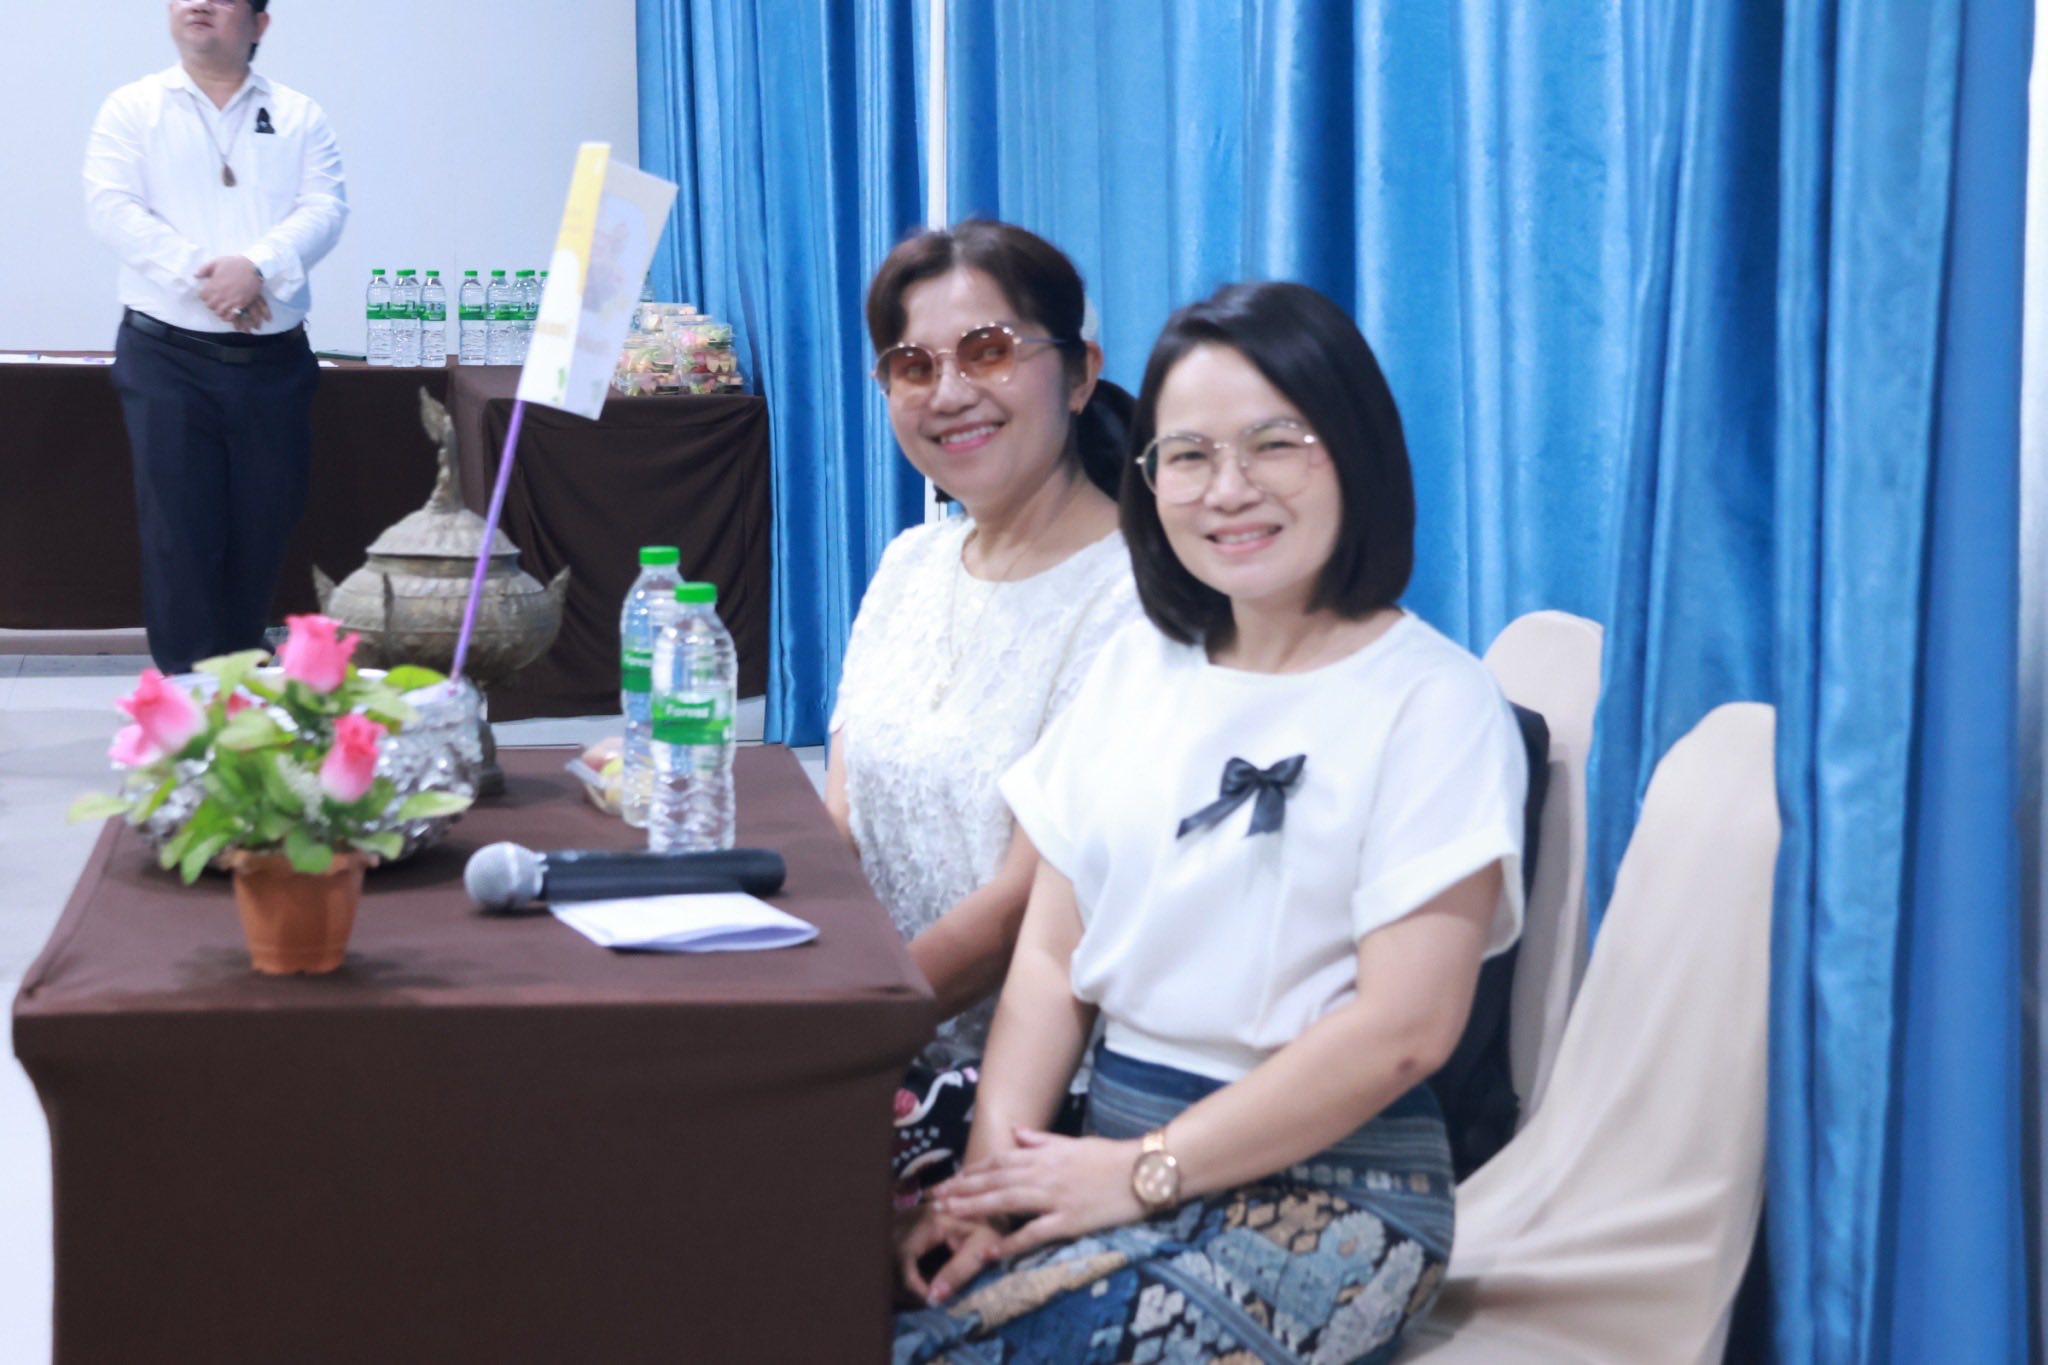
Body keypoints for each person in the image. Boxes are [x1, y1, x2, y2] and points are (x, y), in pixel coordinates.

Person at [892, 282, 1528, 1364]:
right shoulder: (1140, 664)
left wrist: (1144, 1172)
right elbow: (1049, 955)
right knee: (810, 1282)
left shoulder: (1435, 700)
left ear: (1357, 452)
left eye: (1275, 444)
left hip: (1335, 1194)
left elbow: (1405, 1030)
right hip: (1104, 1154)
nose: (1229, 489)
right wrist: (995, 1182)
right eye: (1186, 456)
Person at [827, 221, 1142, 1195]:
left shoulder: (1135, 599)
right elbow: (839, 827)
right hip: (879, 1033)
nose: (949, 391)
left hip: (1036, 1090)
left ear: (1080, 374)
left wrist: (832, 1033)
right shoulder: (908, 565)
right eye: (912, 365)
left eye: (989, 350)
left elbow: (1022, 911)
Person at [85, 0, 347, 675]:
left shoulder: (298, 114)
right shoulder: (133, 107)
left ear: (259, 24)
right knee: (179, 535)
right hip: (166, 357)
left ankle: (240, 685)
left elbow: (325, 208)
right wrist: (207, 278)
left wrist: (256, 267)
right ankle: (188, 699)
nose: (198, 3)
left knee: (263, 527)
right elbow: (112, 207)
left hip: (274, 363)